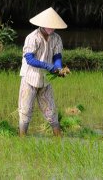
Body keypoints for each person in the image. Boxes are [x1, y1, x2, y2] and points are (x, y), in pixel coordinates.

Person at [18, 7, 67, 137]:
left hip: (45, 80)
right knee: (25, 110)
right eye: (49, 26)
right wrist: (48, 66)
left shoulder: (56, 38)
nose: (51, 28)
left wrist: (58, 68)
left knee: (51, 110)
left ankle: (58, 136)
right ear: (42, 25)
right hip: (30, 78)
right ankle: (22, 137)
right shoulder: (33, 38)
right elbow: (29, 59)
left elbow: (57, 57)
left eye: (53, 26)